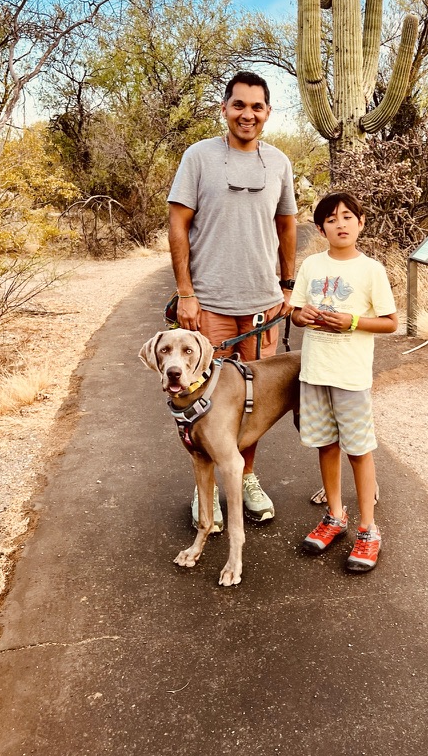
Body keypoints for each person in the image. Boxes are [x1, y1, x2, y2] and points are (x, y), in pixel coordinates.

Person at [168, 71, 298, 532]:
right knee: (204, 400)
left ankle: (245, 478)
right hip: (211, 305)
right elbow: (178, 223)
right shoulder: (199, 157)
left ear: (267, 112)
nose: (248, 114)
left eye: (257, 106)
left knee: (252, 402)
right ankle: (205, 491)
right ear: (224, 108)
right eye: (239, 105)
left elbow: (287, 227)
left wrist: (287, 286)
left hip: (262, 307)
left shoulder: (279, 162)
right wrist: (186, 292)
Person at [290, 191, 397, 573]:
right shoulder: (312, 265)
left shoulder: (372, 270)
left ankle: (369, 528)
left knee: (358, 448)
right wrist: (304, 318)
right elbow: (296, 312)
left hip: (350, 376)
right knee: (325, 443)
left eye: (348, 216)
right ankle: (336, 515)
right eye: (331, 219)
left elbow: (389, 321)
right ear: (320, 228)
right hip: (315, 371)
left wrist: (350, 322)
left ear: (361, 222)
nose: (341, 224)